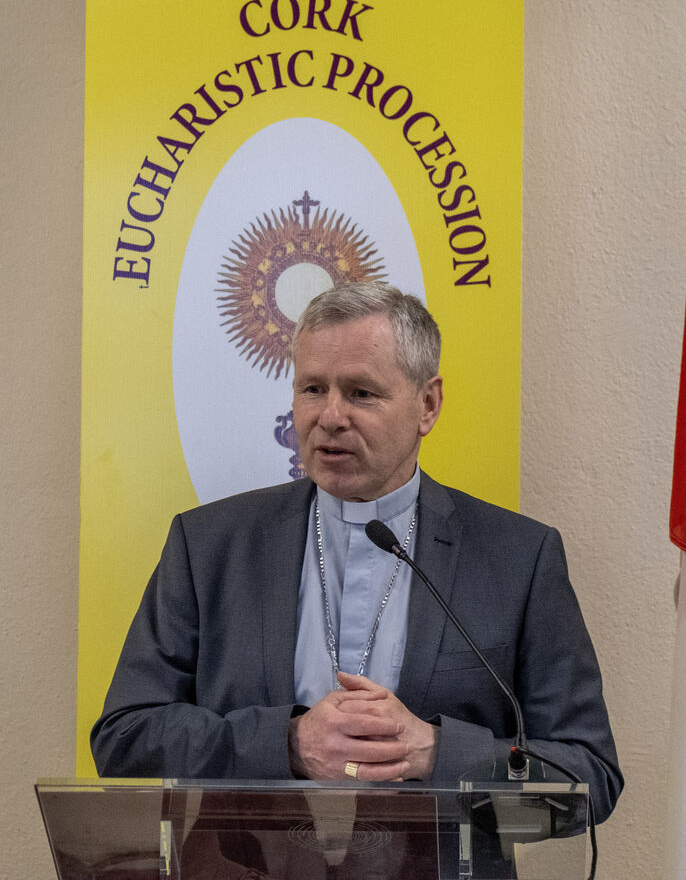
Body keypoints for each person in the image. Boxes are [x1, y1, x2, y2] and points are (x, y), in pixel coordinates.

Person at [91, 282, 622, 824]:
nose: (330, 416)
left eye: (361, 393)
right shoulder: (208, 546)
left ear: (428, 405)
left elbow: (589, 774)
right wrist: (290, 742)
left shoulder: (517, 558)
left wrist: (435, 753)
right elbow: (124, 740)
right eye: (313, 389)